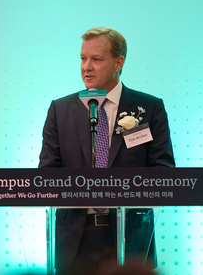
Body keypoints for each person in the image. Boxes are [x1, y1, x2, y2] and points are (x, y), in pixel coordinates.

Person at [39, 27, 175, 275]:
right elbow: (47, 173)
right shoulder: (60, 110)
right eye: (83, 58)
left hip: (129, 237)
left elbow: (162, 172)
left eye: (96, 59)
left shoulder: (148, 108)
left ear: (118, 62)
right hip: (74, 242)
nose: (86, 67)